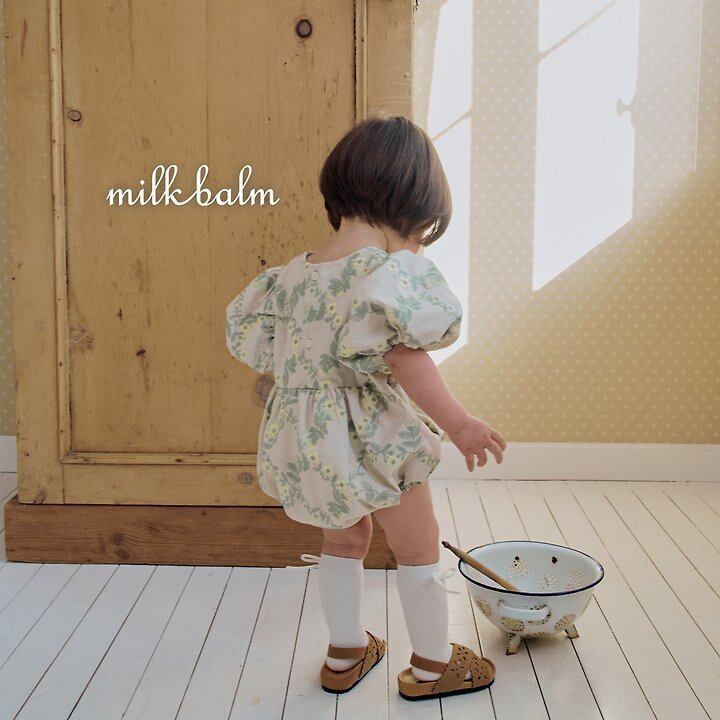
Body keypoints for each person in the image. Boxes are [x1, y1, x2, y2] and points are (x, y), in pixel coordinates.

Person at [226, 115, 506, 700]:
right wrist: (459, 424)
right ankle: (432, 665)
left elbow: (280, 357)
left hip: (310, 442)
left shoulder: (289, 278)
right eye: (422, 232)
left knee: (344, 540)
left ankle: (345, 652)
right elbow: (405, 358)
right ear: (410, 204)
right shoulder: (385, 273)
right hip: (377, 439)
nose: (418, 244)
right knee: (417, 545)